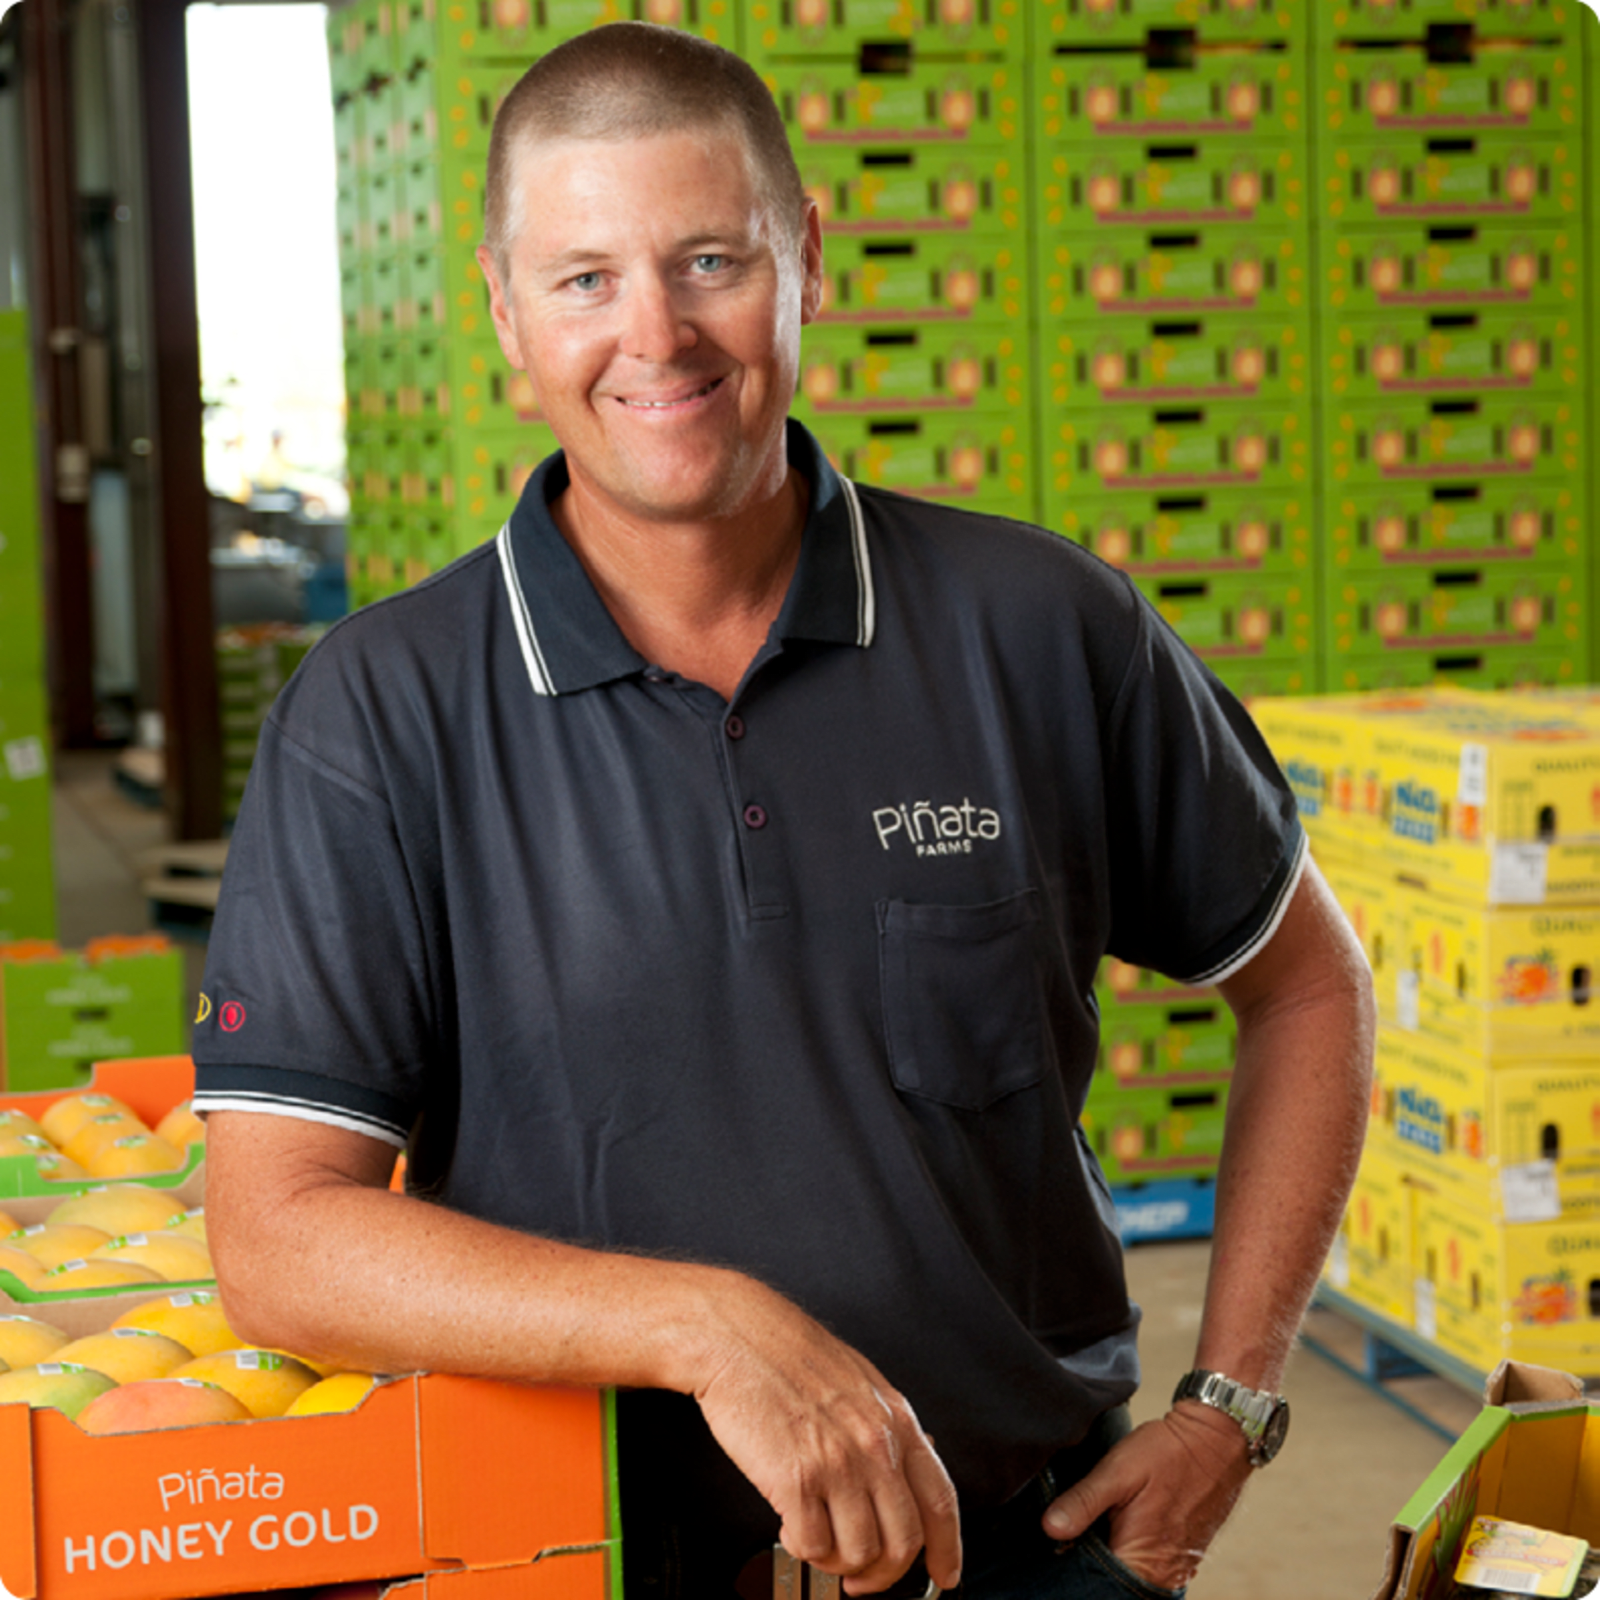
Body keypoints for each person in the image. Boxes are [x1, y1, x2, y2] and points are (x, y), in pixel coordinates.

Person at [193, 22, 1375, 1600]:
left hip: (1030, 1554)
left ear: (806, 258)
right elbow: (276, 1237)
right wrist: (708, 1327)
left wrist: (1232, 1402)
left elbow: (1306, 982)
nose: (657, 336)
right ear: (504, 309)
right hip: (584, 1563)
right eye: (584, 278)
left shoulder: (1040, 627)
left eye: (708, 260)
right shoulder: (382, 709)